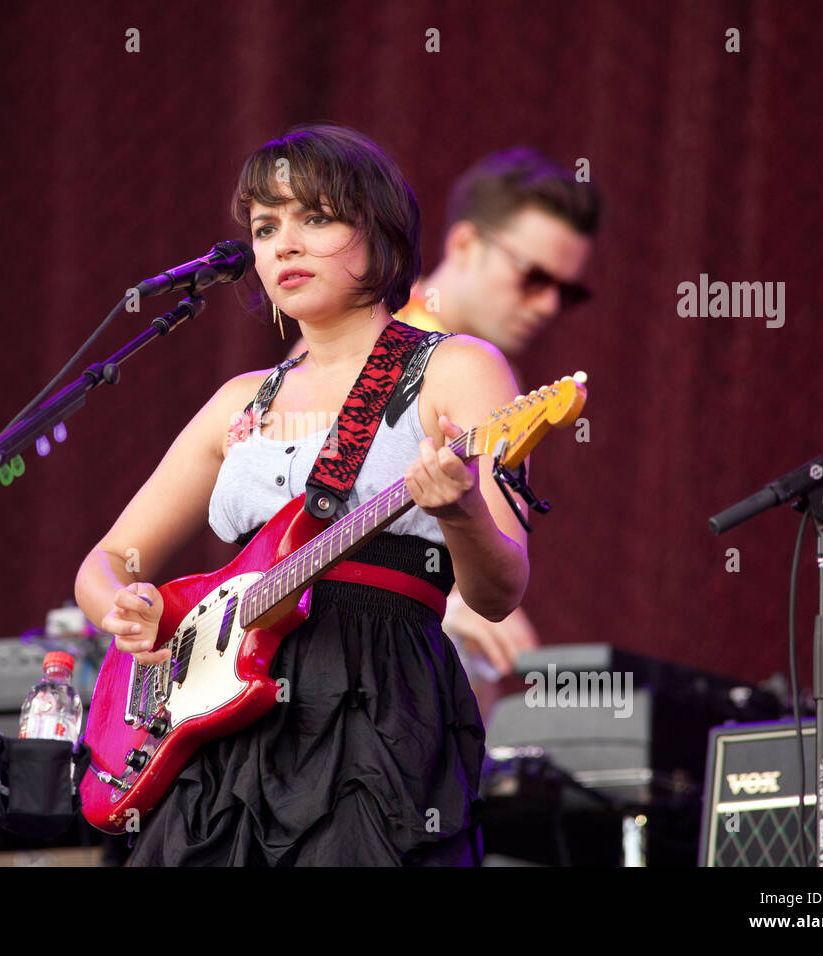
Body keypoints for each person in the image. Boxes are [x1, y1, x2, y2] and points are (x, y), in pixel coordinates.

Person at [74, 124, 529, 866]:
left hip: (373, 704)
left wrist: (459, 508)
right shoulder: (238, 401)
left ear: (377, 231)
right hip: (214, 731)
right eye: (264, 227)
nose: (282, 244)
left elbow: (502, 588)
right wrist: (126, 614)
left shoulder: (456, 369)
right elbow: (105, 563)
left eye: (314, 217)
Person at [287, 148, 599, 719]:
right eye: (533, 277)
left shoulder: (489, 377)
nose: (549, 305)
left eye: (567, 291)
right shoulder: (356, 342)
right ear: (463, 246)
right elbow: (286, 534)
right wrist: (436, 597)